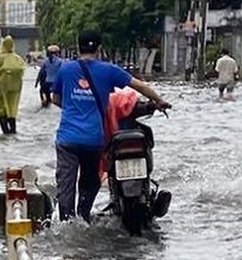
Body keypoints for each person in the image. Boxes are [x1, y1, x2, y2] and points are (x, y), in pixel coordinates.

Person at [51, 30, 170, 222]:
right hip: (93, 140)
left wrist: (76, 106)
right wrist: (159, 101)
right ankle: (83, 216)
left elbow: (55, 99)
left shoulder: (65, 70)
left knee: (66, 184)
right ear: (99, 48)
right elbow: (138, 85)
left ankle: (67, 222)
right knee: (90, 182)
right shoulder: (108, 70)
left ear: (78, 46)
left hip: (67, 139)